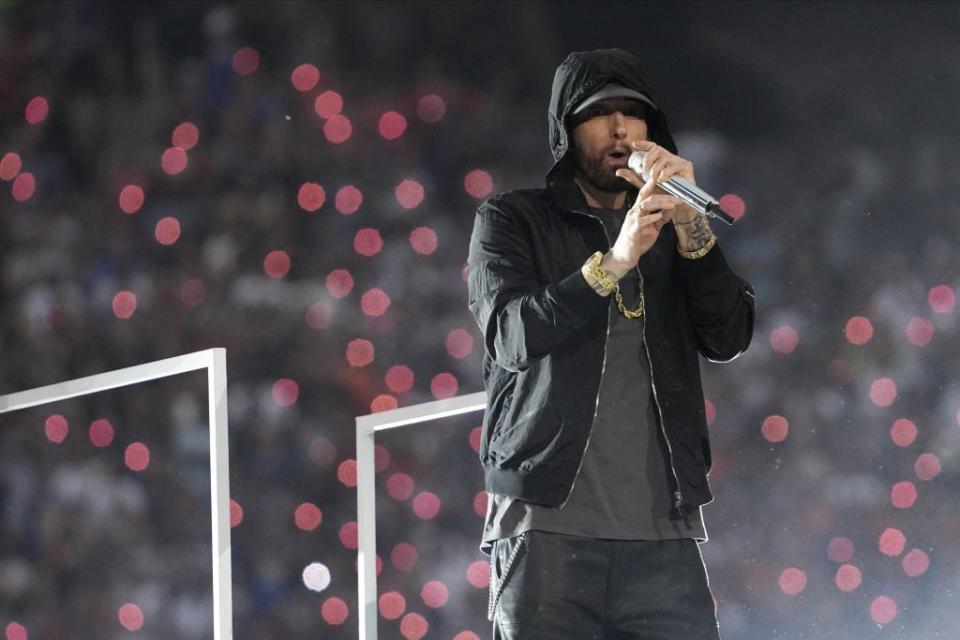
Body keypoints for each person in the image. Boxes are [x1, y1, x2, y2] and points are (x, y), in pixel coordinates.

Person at [466, 48, 756, 639]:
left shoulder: (675, 230)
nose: (621, 129)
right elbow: (511, 337)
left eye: (634, 113)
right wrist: (616, 261)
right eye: (601, 113)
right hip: (546, 529)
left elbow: (729, 337)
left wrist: (692, 226)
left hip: (662, 538)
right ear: (567, 129)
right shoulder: (514, 218)